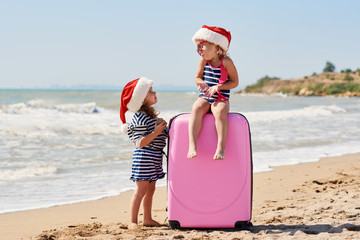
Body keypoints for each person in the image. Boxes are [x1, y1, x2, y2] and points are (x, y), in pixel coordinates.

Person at [120, 77, 168, 229]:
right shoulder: (140, 117)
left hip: (154, 157)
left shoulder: (150, 116)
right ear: (141, 99)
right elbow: (140, 142)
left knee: (151, 189)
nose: (154, 93)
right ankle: (133, 221)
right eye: (150, 91)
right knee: (141, 190)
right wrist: (156, 131)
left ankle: (147, 219)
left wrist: (166, 127)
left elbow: (162, 134)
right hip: (144, 157)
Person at [187, 25, 239, 160]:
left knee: (220, 111)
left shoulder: (226, 62)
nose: (199, 50)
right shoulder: (204, 61)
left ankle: (221, 147)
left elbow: (234, 82)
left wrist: (218, 87)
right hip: (206, 96)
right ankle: (192, 145)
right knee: (196, 108)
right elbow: (197, 77)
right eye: (197, 47)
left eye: (202, 46)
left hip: (221, 97)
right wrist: (200, 83)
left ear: (217, 47)